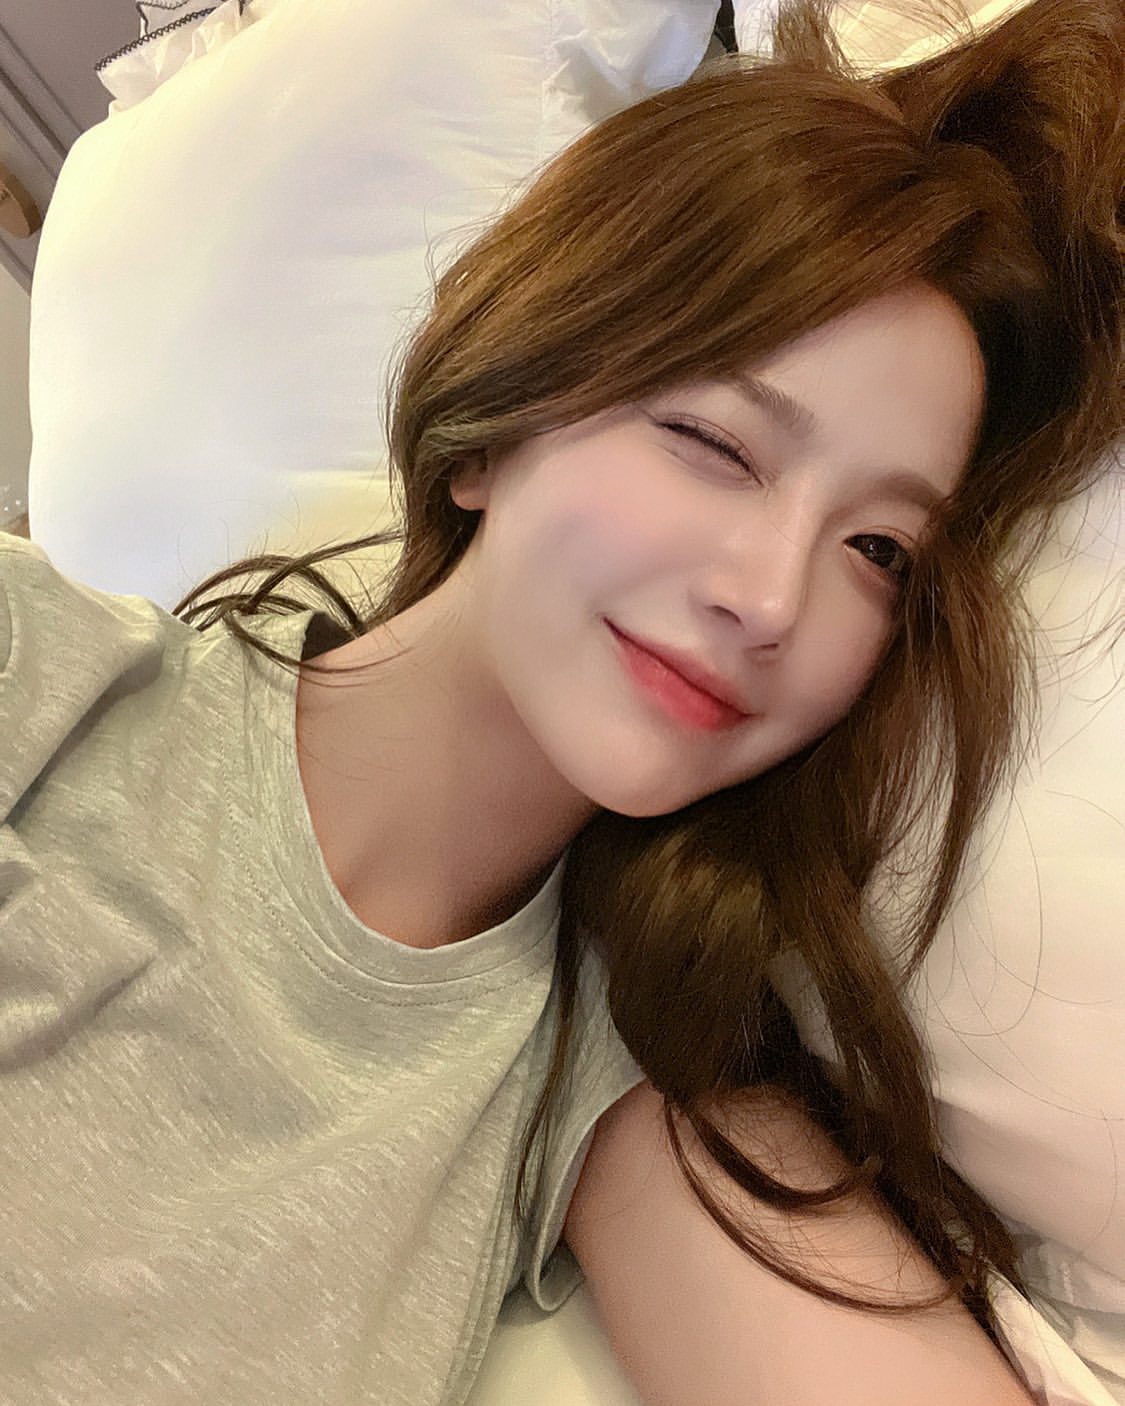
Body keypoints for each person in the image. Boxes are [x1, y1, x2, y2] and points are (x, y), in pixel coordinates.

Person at [0, 0, 1120, 1403]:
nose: (771, 599)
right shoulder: (42, 675)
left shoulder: (615, 1077)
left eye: (877, 549)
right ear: (494, 422)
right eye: (714, 441)